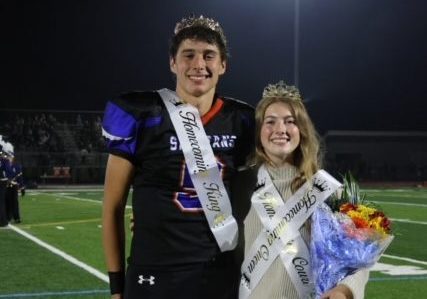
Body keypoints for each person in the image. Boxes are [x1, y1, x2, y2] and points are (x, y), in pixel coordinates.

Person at [101, 15, 254, 299]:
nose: (199, 64)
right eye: (189, 55)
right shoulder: (143, 114)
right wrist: (116, 286)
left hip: (219, 272)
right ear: (173, 63)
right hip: (155, 271)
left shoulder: (241, 120)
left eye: (209, 56)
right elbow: (112, 207)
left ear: (222, 65)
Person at [233, 81, 369, 299]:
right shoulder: (239, 184)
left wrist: (345, 290)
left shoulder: (329, 191)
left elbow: (359, 258)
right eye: (270, 122)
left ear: (302, 130)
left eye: (290, 121)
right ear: (259, 131)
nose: (280, 129)